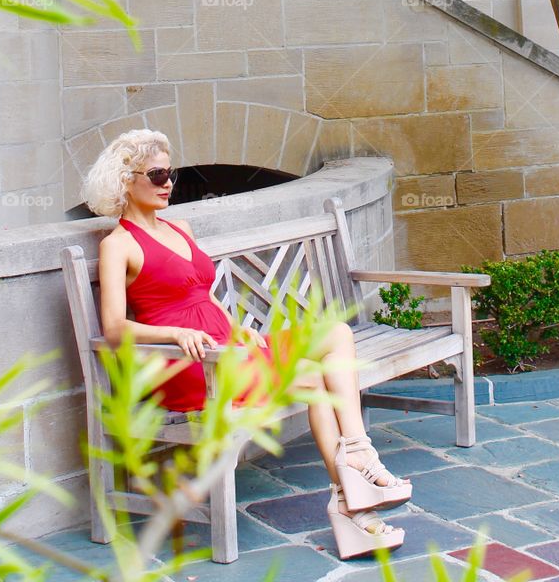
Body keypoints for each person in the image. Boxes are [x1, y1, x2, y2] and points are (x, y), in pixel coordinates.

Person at [82, 128, 411, 559]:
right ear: (126, 180)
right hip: (187, 364)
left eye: (172, 173)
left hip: (226, 347)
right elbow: (113, 328)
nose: (168, 184)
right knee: (313, 378)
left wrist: (235, 328)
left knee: (335, 334)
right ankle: (355, 506)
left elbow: (201, 296)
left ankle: (356, 461)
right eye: (157, 174)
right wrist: (176, 334)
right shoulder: (118, 245)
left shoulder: (179, 228)